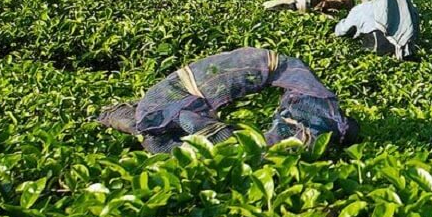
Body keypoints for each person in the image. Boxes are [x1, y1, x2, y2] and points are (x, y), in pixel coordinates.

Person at [94, 47, 359, 152]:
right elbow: (211, 132)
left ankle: (323, 131)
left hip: (263, 69)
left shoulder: (165, 108)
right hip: (194, 92)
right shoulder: (168, 111)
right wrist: (235, 143)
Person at [335, 0, 419, 59]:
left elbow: (341, 31)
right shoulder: (411, 11)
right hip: (404, 58)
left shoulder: (362, 9)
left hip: (371, 58)